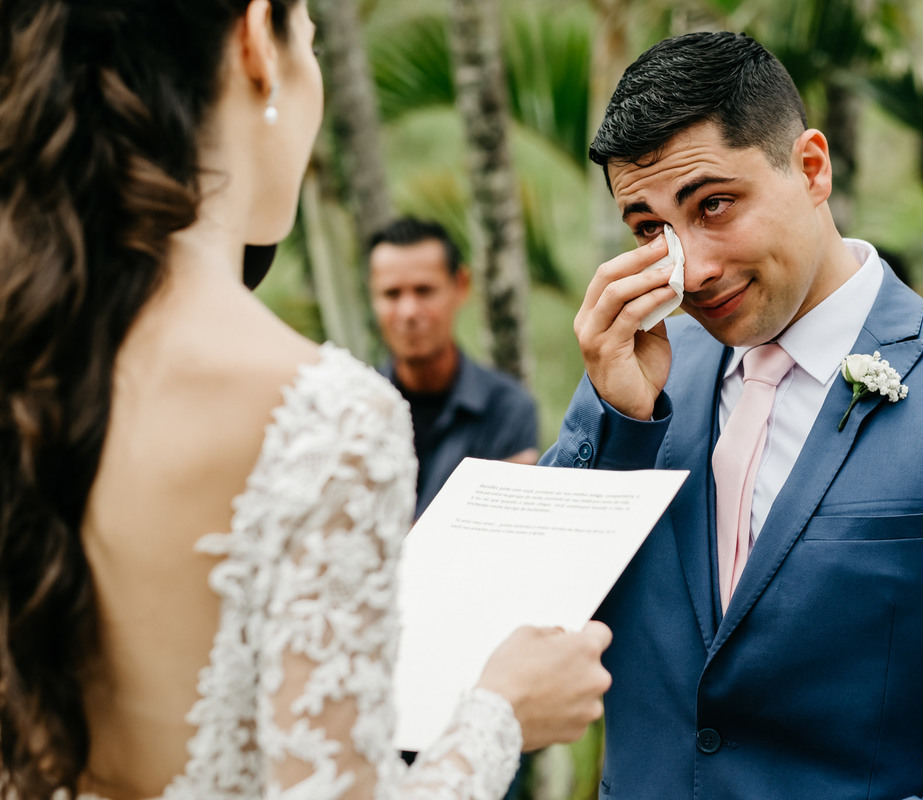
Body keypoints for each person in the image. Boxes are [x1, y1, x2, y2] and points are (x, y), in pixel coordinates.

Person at [0, 2, 610, 798]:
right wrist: (501, 714)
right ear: (260, 39)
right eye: (312, 42)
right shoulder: (321, 415)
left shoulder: (29, 360)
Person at [542, 31, 923, 799]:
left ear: (812, 167)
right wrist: (619, 424)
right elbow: (536, 630)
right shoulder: (630, 381)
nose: (694, 267)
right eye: (650, 228)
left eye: (714, 205)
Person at [367, 217, 539, 518]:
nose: (408, 312)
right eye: (392, 294)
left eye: (424, 291)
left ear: (460, 285)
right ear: (373, 297)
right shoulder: (355, 410)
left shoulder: (507, 408)